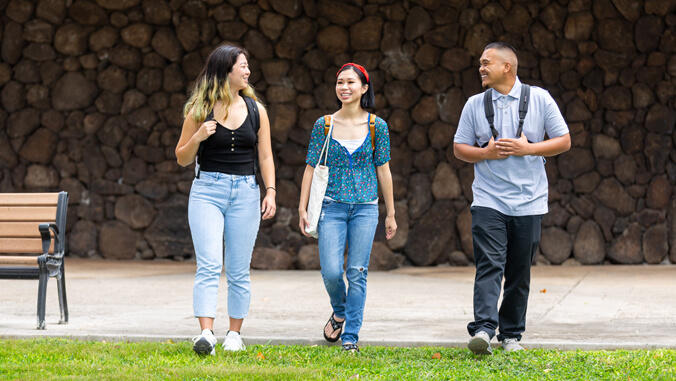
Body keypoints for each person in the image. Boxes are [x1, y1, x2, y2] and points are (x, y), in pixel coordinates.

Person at [453, 42, 571, 354]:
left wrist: (528, 148)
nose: (480, 67)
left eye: (486, 62)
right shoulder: (474, 105)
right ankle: (483, 329)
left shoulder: (539, 98)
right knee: (489, 264)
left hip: (529, 201)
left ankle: (511, 336)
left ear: (507, 66)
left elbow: (564, 140)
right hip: (488, 199)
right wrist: (485, 153)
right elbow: (459, 148)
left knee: (519, 270)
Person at [175, 44, 276, 355]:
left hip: (246, 192)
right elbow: (181, 157)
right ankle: (206, 333)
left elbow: (265, 156)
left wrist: (270, 191)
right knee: (208, 264)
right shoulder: (199, 110)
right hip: (207, 190)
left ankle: (234, 334)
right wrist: (198, 137)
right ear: (225, 70)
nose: (247, 71)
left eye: (247, 65)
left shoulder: (257, 110)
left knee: (238, 268)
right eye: (242, 66)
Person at [298, 63, 397, 353]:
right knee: (330, 271)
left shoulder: (377, 126)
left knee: (357, 271)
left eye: (351, 82)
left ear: (364, 88)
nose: (344, 87)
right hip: (331, 206)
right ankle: (339, 310)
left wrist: (390, 213)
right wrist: (302, 207)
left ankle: (351, 335)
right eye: (340, 82)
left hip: (366, 208)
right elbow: (310, 169)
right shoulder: (324, 124)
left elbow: (384, 171)